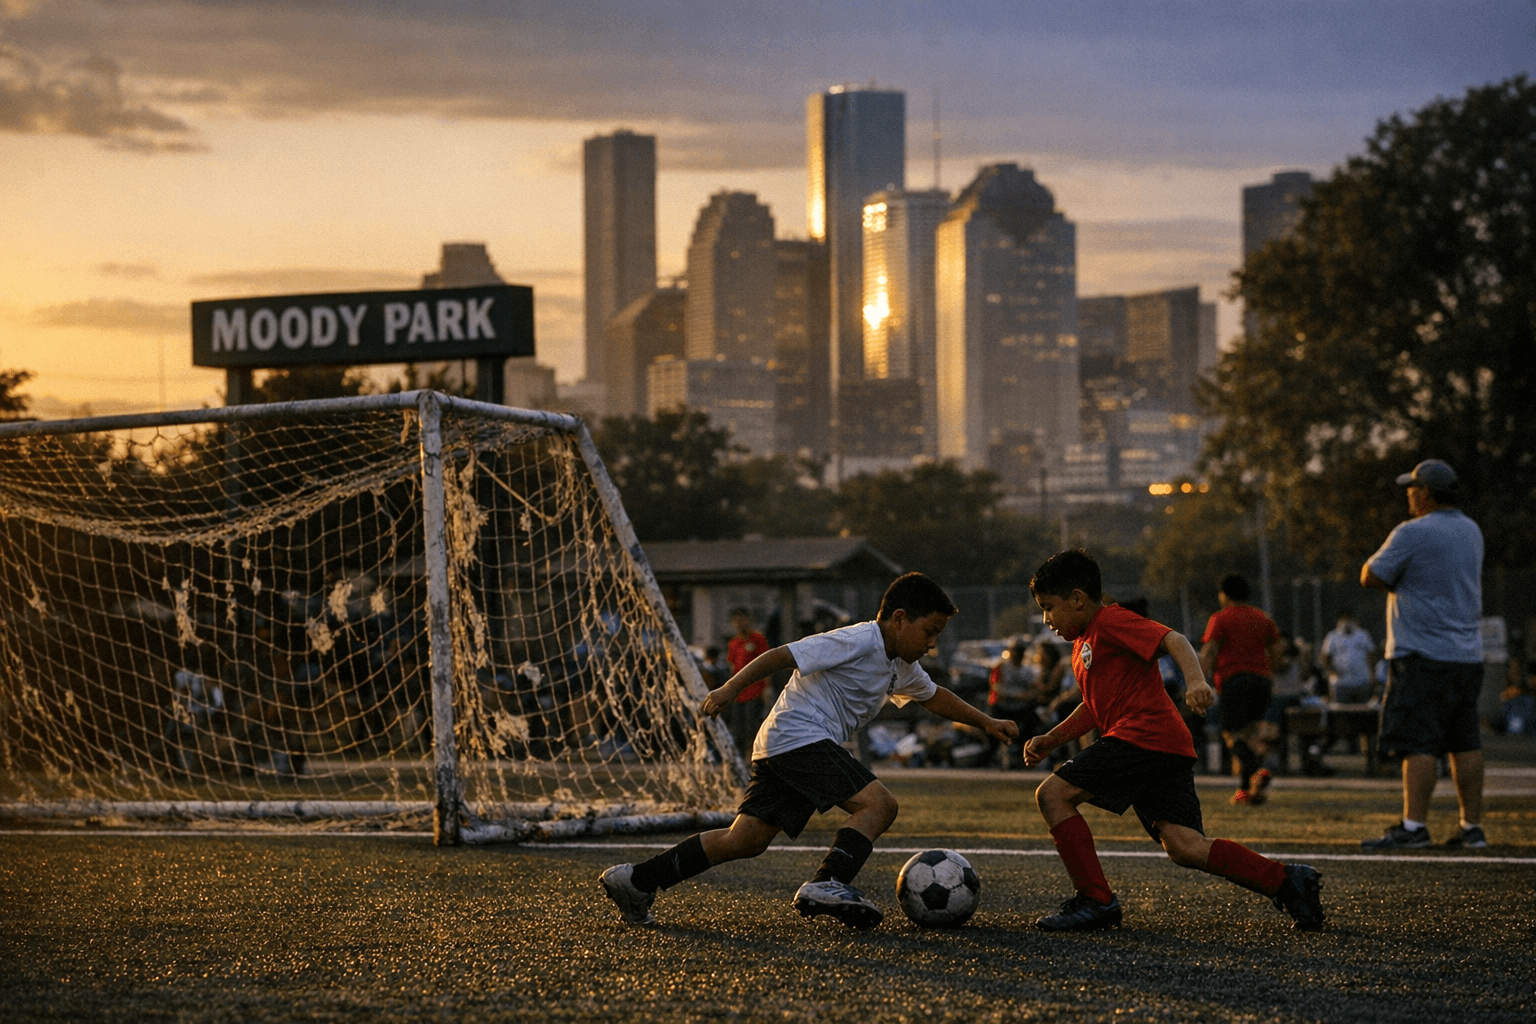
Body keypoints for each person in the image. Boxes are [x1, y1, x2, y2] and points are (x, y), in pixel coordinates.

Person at [599, 572, 1019, 928]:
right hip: (798, 736)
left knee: (744, 840)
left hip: (783, 744)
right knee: (879, 805)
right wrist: (730, 688)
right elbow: (784, 655)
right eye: (929, 632)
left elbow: (934, 696)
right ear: (899, 618)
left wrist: (986, 721)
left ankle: (637, 880)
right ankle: (829, 881)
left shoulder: (900, 666)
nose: (930, 645)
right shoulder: (858, 639)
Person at [1023, 550, 1325, 933]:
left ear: (1078, 599)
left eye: (1049, 608)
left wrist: (1196, 681)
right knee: (1185, 845)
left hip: (1142, 739)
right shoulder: (1084, 643)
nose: (1047, 620)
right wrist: (1052, 737)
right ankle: (1286, 880)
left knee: (1052, 795)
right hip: (1164, 745)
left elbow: (1175, 639)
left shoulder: (1110, 620)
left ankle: (1095, 900)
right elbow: (1095, 708)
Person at [1359, 459, 1487, 850]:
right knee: (1465, 742)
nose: (1409, 495)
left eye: (1412, 489)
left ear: (1426, 493)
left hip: (1420, 654)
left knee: (1418, 743)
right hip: (1467, 654)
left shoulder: (1412, 532)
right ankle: (1472, 828)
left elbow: (1371, 575)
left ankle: (1414, 827)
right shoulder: (1472, 530)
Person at [1200, 574, 1285, 806]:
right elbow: (1278, 651)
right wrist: (1271, 674)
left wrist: (1197, 681)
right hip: (1261, 680)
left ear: (1224, 594)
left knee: (1232, 735)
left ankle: (1259, 772)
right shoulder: (1263, 618)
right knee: (1253, 735)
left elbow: (1209, 651)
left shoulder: (1220, 618)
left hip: (1234, 680)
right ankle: (1247, 791)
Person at [724, 608, 772, 757]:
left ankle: (754, 755)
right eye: (736, 620)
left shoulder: (757, 639)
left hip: (755, 690)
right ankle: (740, 757)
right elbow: (732, 667)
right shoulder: (734, 643)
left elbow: (767, 663)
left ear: (748, 620)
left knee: (752, 726)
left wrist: (767, 688)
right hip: (739, 692)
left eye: (742, 620)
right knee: (738, 727)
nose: (740, 624)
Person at [1321, 610, 1378, 704]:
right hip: (1341, 683)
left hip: (1362, 681)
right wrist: (1333, 671)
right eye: (1343, 619)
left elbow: (1372, 654)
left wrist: (1372, 675)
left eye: (1348, 619)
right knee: (1341, 713)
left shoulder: (1363, 635)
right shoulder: (1332, 637)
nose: (1346, 622)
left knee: (1363, 713)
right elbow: (1324, 656)